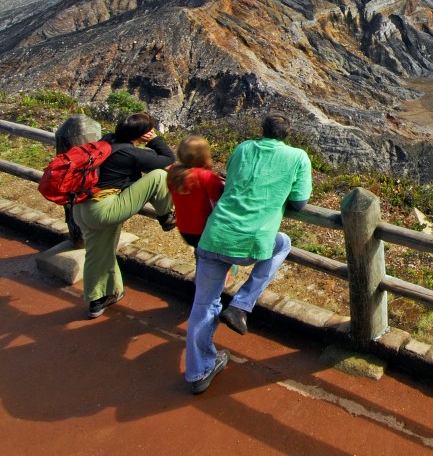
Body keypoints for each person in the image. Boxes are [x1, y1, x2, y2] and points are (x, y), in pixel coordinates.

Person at [185, 112, 312, 394]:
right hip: (252, 243)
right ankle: (241, 306)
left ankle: (197, 373)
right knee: (282, 243)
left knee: (202, 305)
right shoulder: (298, 157)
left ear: (262, 130)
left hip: (214, 236)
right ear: (287, 134)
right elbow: (300, 202)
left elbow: (232, 178)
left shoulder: (243, 148)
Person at [72, 112, 176, 319]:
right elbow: (168, 159)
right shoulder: (131, 154)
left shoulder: (107, 140)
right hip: (103, 210)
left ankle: (99, 299)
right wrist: (155, 139)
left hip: (82, 208)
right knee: (159, 176)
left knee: (99, 253)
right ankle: (166, 216)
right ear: (142, 134)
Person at [166, 135, 238, 285]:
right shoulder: (206, 177)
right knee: (213, 263)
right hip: (204, 230)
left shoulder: (173, 171)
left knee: (200, 255)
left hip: (185, 229)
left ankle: (201, 283)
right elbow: (222, 198)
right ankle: (208, 286)